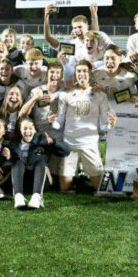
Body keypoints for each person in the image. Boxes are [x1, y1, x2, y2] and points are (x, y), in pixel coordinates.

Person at [49, 60, 117, 192]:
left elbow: (103, 126)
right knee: (65, 187)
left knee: (99, 187)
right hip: (70, 144)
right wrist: (52, 122)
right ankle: (79, 179)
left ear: (90, 73)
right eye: (79, 71)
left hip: (89, 143)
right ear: (75, 74)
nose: (82, 74)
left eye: (84, 71)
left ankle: (84, 178)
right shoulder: (65, 95)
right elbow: (59, 124)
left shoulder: (100, 95)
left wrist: (111, 125)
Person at [20, 62, 66, 183]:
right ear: (47, 74)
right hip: (40, 137)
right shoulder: (37, 91)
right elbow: (23, 114)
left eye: (57, 73)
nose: (54, 75)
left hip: (58, 138)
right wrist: (35, 99)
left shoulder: (65, 91)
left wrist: (54, 96)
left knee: (57, 179)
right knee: (39, 176)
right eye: (52, 72)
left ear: (61, 76)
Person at [9, 118, 70, 209]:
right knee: (17, 161)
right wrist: (7, 157)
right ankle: (18, 196)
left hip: (41, 181)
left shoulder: (42, 139)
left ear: (35, 129)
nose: (28, 131)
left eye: (30, 128)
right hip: (22, 182)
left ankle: (37, 197)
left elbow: (66, 152)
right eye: (25, 128)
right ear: (20, 130)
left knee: (40, 161)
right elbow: (8, 162)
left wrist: (54, 143)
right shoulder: (15, 142)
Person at [43, 3, 111, 60]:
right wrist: (46, 16)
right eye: (74, 28)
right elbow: (48, 38)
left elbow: (95, 33)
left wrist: (94, 14)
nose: (77, 30)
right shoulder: (73, 46)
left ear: (87, 26)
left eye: (80, 27)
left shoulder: (96, 40)